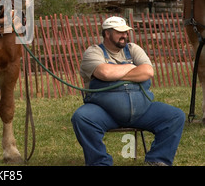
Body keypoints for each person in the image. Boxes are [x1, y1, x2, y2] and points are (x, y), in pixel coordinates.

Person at [71, 16, 185, 166]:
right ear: (107, 33)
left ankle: (158, 160)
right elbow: (105, 73)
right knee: (81, 118)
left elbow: (148, 71)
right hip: (105, 112)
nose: (124, 35)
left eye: (126, 32)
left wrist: (117, 74)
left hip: (142, 111)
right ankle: (100, 162)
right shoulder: (93, 52)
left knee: (175, 116)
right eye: (120, 32)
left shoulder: (133, 49)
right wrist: (132, 69)